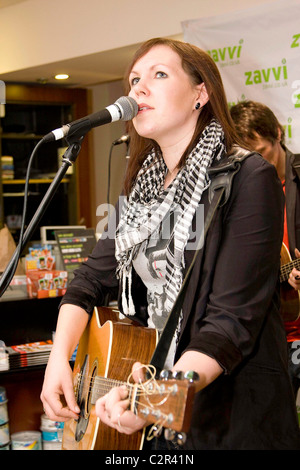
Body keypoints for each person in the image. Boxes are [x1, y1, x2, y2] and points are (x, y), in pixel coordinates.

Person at [40, 38, 300, 450]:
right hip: (158, 425)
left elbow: (229, 323)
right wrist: (58, 359)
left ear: (201, 93)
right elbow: (88, 279)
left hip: (230, 422)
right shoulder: (144, 190)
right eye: (134, 79)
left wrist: (154, 397)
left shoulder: (247, 177)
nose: (138, 88)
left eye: (159, 74)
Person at [230, 100, 300, 399]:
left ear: (279, 135)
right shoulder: (233, 188)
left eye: (261, 153)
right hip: (261, 336)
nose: (255, 164)